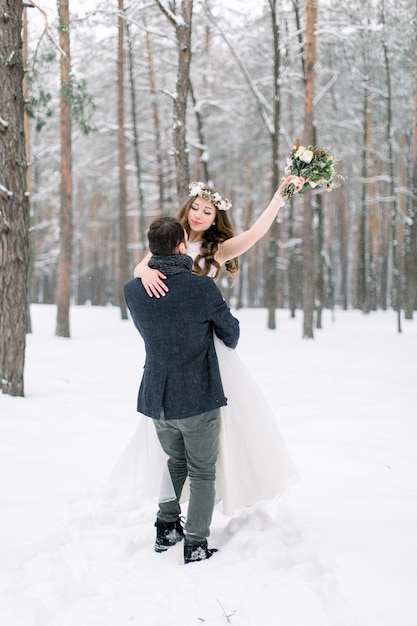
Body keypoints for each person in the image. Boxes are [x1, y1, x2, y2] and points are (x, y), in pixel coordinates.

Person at [124, 175, 306, 514]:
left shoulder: (215, 250)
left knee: (221, 425)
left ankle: (219, 484)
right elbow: (141, 266)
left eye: (207, 211)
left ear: (215, 218)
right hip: (168, 350)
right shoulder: (168, 240)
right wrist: (143, 271)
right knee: (174, 437)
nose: (197, 215)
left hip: (205, 348)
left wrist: (278, 199)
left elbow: (253, 235)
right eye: (195, 207)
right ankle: (179, 499)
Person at [124, 217, 240, 564]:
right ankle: (195, 543)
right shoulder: (201, 288)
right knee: (202, 471)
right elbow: (230, 333)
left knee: (175, 461)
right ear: (181, 247)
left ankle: (166, 527)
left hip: (157, 397)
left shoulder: (133, 290)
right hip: (197, 396)